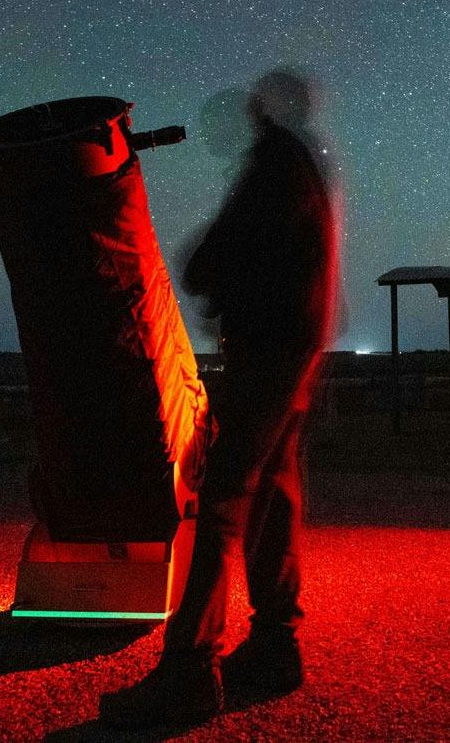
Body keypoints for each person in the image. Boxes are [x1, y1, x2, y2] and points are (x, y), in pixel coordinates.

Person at [99, 70, 340, 730]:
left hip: (268, 353)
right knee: (274, 494)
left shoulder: (274, 162)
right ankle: (275, 646)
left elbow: (218, 254)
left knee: (225, 496)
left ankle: (189, 671)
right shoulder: (303, 165)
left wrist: (206, 272)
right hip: (294, 351)